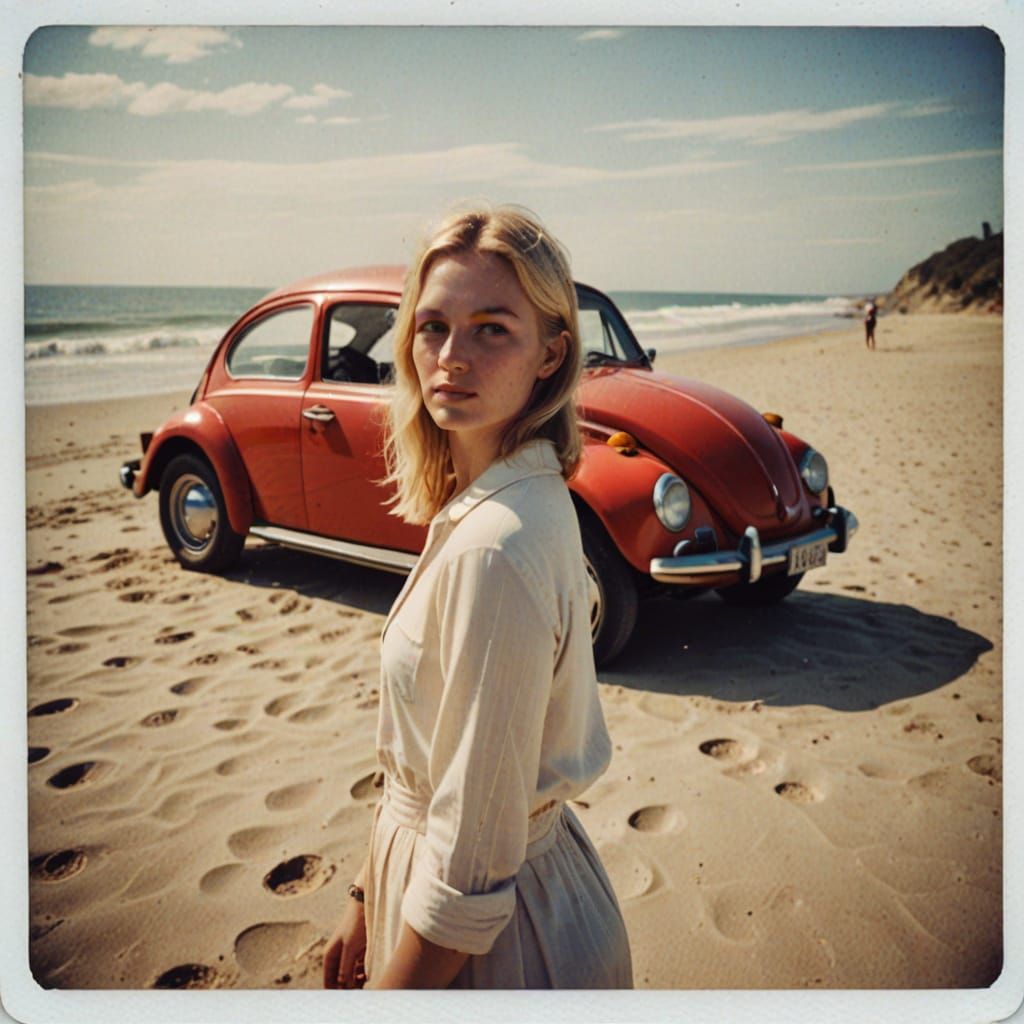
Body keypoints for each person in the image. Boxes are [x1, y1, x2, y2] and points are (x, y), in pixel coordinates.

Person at [322, 205, 633, 990]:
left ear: (551, 353)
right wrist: (365, 893)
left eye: (492, 328)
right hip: (483, 898)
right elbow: (428, 763)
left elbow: (470, 867)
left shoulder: (497, 544)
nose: (452, 357)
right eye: (433, 327)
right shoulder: (511, 497)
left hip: (499, 950)